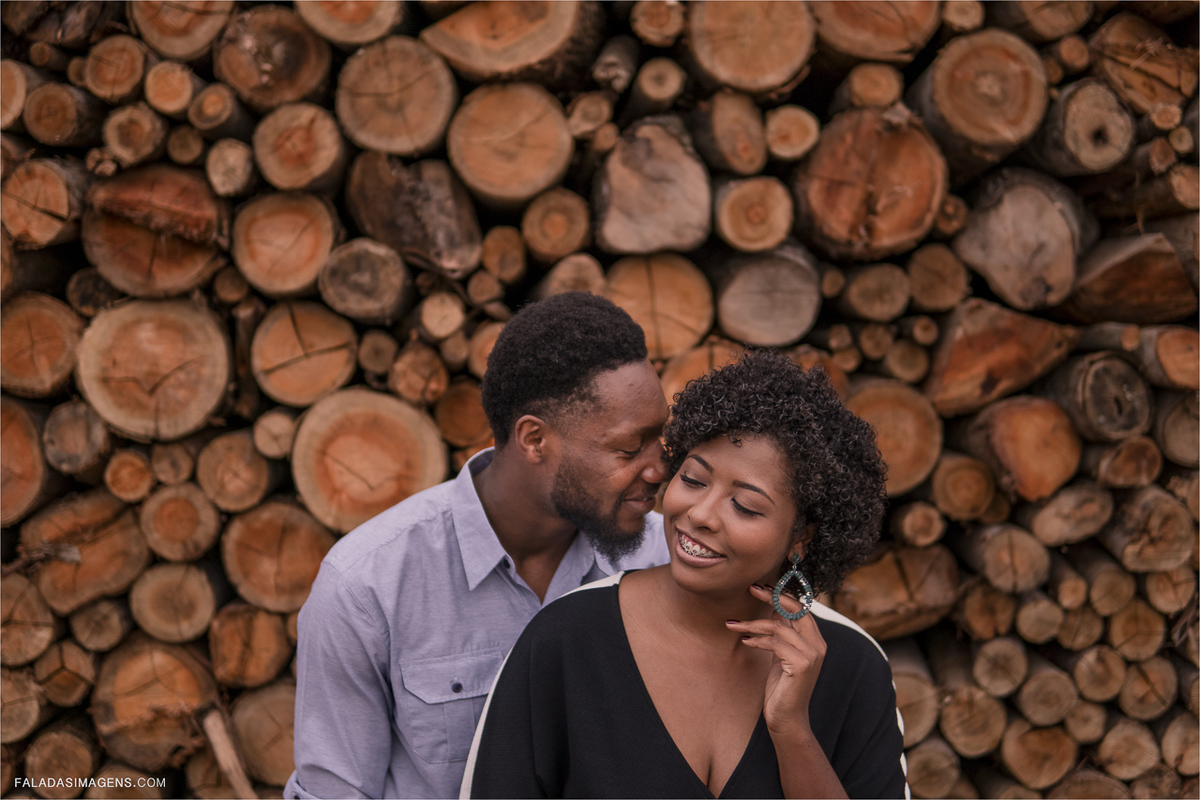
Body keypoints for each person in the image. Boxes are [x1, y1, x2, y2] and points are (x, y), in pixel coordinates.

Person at [462, 350, 907, 799]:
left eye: (745, 506)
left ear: (802, 537)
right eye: (693, 480)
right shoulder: (565, 640)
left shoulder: (852, 667)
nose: (700, 513)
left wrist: (792, 730)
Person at [285, 293, 672, 799]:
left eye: (660, 439)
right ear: (534, 440)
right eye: (627, 449)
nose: (659, 469)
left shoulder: (667, 558)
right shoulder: (367, 586)